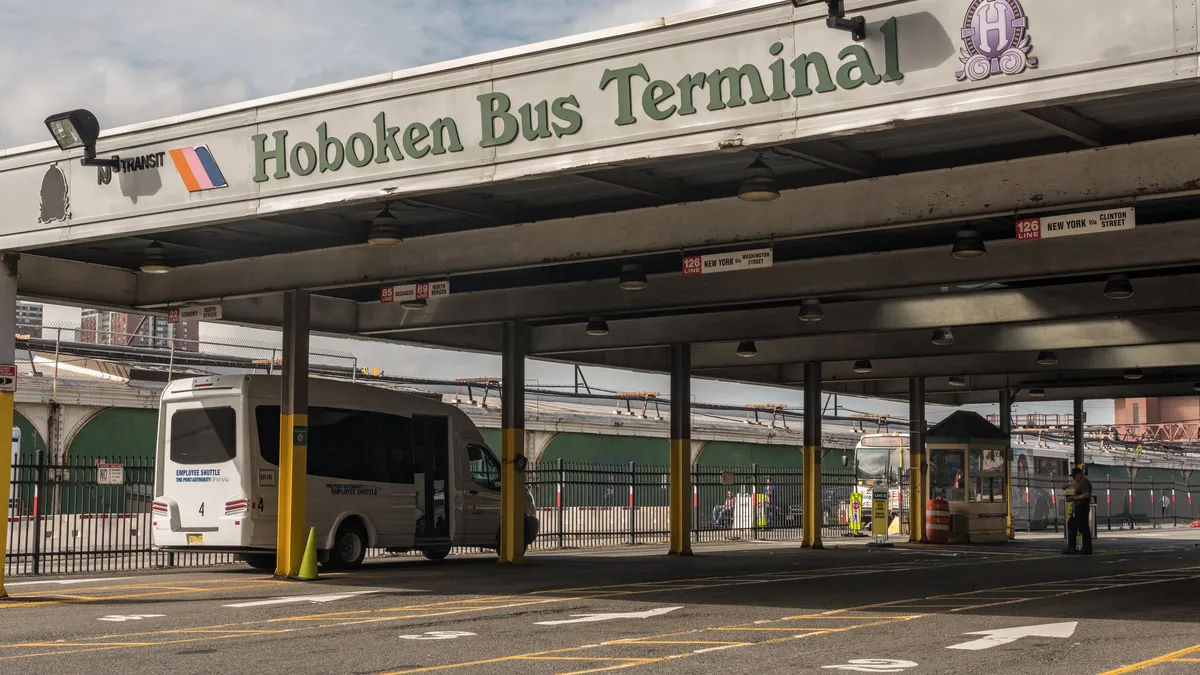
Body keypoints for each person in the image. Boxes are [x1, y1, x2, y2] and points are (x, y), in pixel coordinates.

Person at [1063, 467, 1093, 555]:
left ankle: (1087, 549)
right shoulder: (1080, 482)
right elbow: (1076, 485)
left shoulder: (1085, 482)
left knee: (1083, 528)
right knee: (1072, 525)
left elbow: (1087, 494)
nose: (1073, 478)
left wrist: (1074, 498)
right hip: (1078, 508)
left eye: (1074, 476)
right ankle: (1072, 547)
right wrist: (1067, 486)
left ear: (1079, 474)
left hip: (1082, 508)